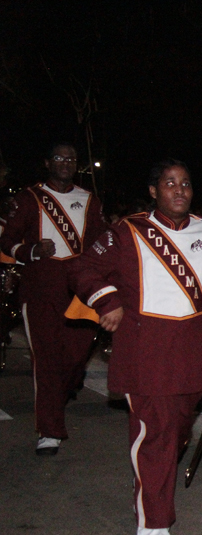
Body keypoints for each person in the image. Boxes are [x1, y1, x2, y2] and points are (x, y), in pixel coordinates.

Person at [68, 159, 202, 535]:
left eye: (186, 183)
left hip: (194, 355)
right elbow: (83, 270)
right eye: (169, 183)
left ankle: (149, 481)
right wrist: (107, 301)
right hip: (145, 352)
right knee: (156, 435)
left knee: (177, 432)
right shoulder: (126, 231)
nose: (179, 190)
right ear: (153, 191)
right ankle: (154, 521)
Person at [0, 142, 106, 455]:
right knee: (45, 359)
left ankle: (62, 390)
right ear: (48, 163)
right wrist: (30, 251)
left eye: (71, 158)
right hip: (41, 285)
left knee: (76, 353)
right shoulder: (29, 197)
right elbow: (7, 241)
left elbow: (102, 242)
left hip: (79, 286)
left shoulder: (89, 200)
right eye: (59, 158)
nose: (66, 163)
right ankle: (49, 430)